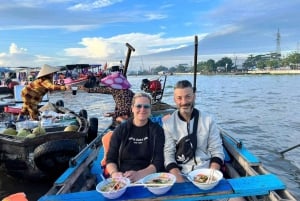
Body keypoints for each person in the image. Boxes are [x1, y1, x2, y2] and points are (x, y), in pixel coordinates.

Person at [163, 80, 225, 182]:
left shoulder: (208, 120)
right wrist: (179, 179)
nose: (184, 102)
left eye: (188, 96)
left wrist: (211, 175)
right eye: (179, 98)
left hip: (207, 170)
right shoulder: (169, 124)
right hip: (181, 173)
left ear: (194, 97)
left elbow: (217, 150)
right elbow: (168, 154)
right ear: (174, 100)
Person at [105, 92, 165, 182]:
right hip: (123, 177)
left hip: (149, 177)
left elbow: (158, 161)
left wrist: (139, 175)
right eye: (138, 106)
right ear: (132, 108)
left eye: (146, 106)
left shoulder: (157, 130)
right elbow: (110, 159)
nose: (142, 109)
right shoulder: (121, 130)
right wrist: (115, 173)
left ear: (150, 109)